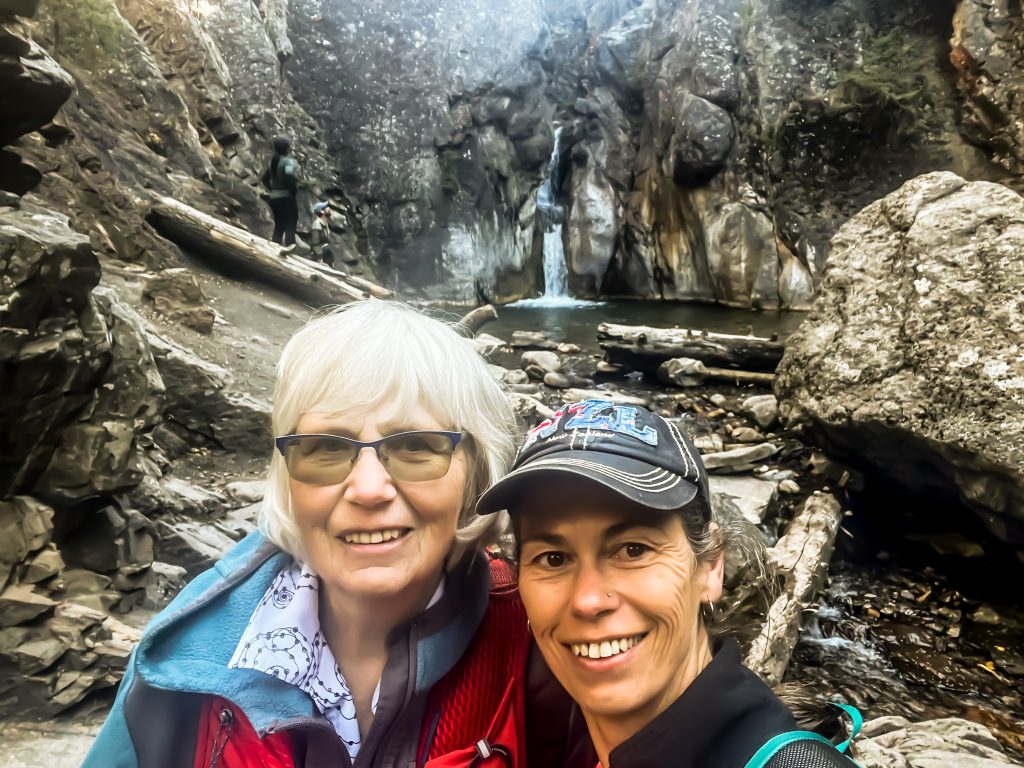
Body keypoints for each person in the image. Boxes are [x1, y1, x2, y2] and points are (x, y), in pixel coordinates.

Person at [82, 301, 587, 768]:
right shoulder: (188, 651)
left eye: (415, 446)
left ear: (476, 473)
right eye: (325, 447)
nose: (368, 490)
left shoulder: (540, 639)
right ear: (287, 475)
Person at [477, 400, 861, 768]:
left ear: (710, 567)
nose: (589, 599)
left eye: (633, 550)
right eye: (553, 558)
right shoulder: (562, 728)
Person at [262, 136, 300, 248]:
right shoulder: (289, 162)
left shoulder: (272, 163)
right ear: (287, 149)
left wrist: (273, 190)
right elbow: (289, 176)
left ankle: (273, 251)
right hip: (287, 198)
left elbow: (264, 179)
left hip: (274, 198)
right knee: (290, 227)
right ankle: (291, 254)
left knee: (278, 227)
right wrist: (293, 191)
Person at [309, 201, 335, 267]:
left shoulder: (325, 224)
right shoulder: (317, 224)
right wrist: (320, 259)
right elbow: (315, 243)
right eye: (326, 207)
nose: (328, 208)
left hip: (326, 255)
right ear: (322, 211)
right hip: (319, 256)